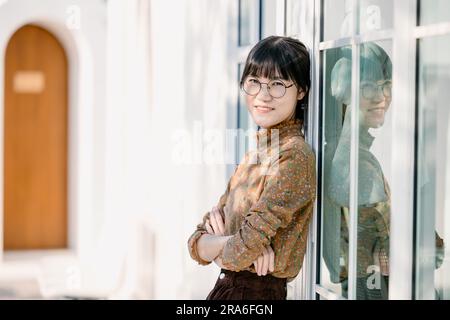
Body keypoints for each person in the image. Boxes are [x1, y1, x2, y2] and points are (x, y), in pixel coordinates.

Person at [187, 36, 316, 300]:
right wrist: (228, 241)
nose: (263, 95)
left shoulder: (294, 156)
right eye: (254, 82)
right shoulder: (257, 152)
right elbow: (195, 243)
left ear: (301, 90)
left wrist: (226, 244)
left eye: (278, 84)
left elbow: (237, 253)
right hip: (230, 290)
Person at [324, 42, 444, 299]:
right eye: (368, 87)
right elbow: (425, 253)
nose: (383, 97)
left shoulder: (352, 156)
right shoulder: (357, 166)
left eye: (386, 85)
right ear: (345, 92)